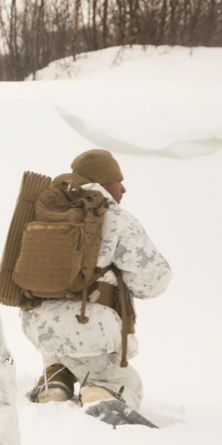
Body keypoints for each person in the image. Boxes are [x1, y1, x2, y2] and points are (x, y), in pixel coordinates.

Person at [23, 149, 172, 410]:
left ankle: (55, 383)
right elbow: (153, 281)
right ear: (103, 183)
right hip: (89, 326)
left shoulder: (43, 212)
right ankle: (102, 391)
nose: (123, 188)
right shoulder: (112, 216)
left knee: (63, 360)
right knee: (123, 381)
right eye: (118, 180)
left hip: (39, 326)